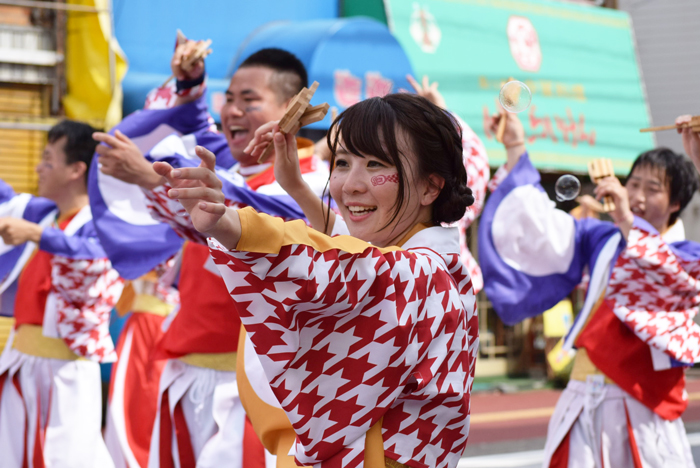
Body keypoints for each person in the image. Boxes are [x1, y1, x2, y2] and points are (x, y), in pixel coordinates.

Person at [150, 92, 479, 468]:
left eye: (375, 164)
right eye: (341, 163)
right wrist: (297, 186)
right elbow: (351, 249)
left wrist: (230, 223)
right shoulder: (430, 264)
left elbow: (337, 268)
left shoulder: (422, 274)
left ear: (430, 187)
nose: (350, 184)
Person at [93, 41, 328, 468]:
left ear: (293, 107)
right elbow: (200, 132)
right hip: (189, 369)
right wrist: (190, 81)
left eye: (250, 100)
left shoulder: (312, 183)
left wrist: (152, 179)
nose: (233, 111)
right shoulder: (233, 171)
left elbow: (257, 223)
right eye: (229, 99)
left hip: (258, 384)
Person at [478, 110, 700, 467]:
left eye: (652, 188)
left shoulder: (684, 257)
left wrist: (628, 220)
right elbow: (543, 228)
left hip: (642, 403)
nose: (638, 195)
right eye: (634, 183)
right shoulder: (601, 237)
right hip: (583, 395)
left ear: (676, 204)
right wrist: (515, 145)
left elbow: (664, 271)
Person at [0, 120, 123, 468]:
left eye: (48, 159)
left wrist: (39, 235)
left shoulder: (102, 223)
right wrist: (39, 231)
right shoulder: (43, 214)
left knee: (65, 458)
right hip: (21, 360)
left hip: (66, 370)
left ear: (76, 169)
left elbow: (97, 255)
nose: (38, 167)